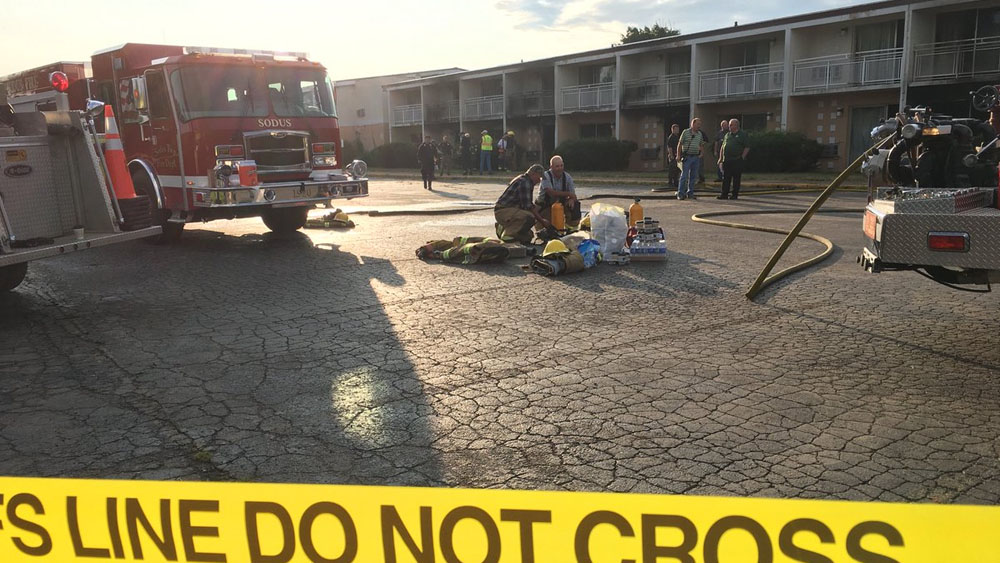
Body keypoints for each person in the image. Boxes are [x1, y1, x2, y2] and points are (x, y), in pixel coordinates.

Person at [494, 164, 550, 244]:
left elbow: (528, 204)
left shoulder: (526, 180)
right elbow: (528, 207)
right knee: (529, 217)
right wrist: (542, 221)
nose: (539, 181)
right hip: (503, 211)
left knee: (528, 237)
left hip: (511, 210)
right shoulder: (525, 182)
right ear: (533, 174)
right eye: (539, 178)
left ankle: (505, 228)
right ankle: (507, 234)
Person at [535, 155, 581, 227]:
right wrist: (568, 194)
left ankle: (571, 228)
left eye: (561, 166)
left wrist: (572, 199)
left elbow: (573, 195)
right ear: (551, 167)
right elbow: (551, 192)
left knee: (575, 205)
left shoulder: (568, 177)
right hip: (545, 205)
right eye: (557, 166)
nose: (560, 168)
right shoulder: (545, 176)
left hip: (560, 204)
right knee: (548, 227)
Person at [718, 118, 751, 200]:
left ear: (736, 125)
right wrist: (720, 158)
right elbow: (723, 147)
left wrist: (742, 157)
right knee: (726, 178)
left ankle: (734, 194)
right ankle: (724, 194)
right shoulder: (727, 135)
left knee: (736, 178)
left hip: (737, 160)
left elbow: (747, 147)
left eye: (731, 125)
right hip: (727, 160)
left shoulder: (742, 134)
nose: (729, 126)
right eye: (729, 125)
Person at [676, 118, 704, 200]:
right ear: (693, 124)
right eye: (698, 124)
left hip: (696, 157)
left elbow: (701, 144)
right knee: (684, 175)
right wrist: (678, 155)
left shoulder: (699, 134)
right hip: (687, 157)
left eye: (700, 124)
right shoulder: (685, 132)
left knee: (693, 176)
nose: (699, 126)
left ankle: (690, 193)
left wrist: (702, 153)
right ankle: (680, 193)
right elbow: (680, 144)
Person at [654, 123, 681, 192]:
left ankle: (676, 182)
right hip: (673, 155)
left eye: (678, 129)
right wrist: (671, 155)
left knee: (677, 169)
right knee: (672, 169)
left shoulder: (677, 137)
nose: (677, 130)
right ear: (672, 130)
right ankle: (670, 182)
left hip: (677, 155)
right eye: (676, 129)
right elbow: (669, 147)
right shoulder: (671, 137)